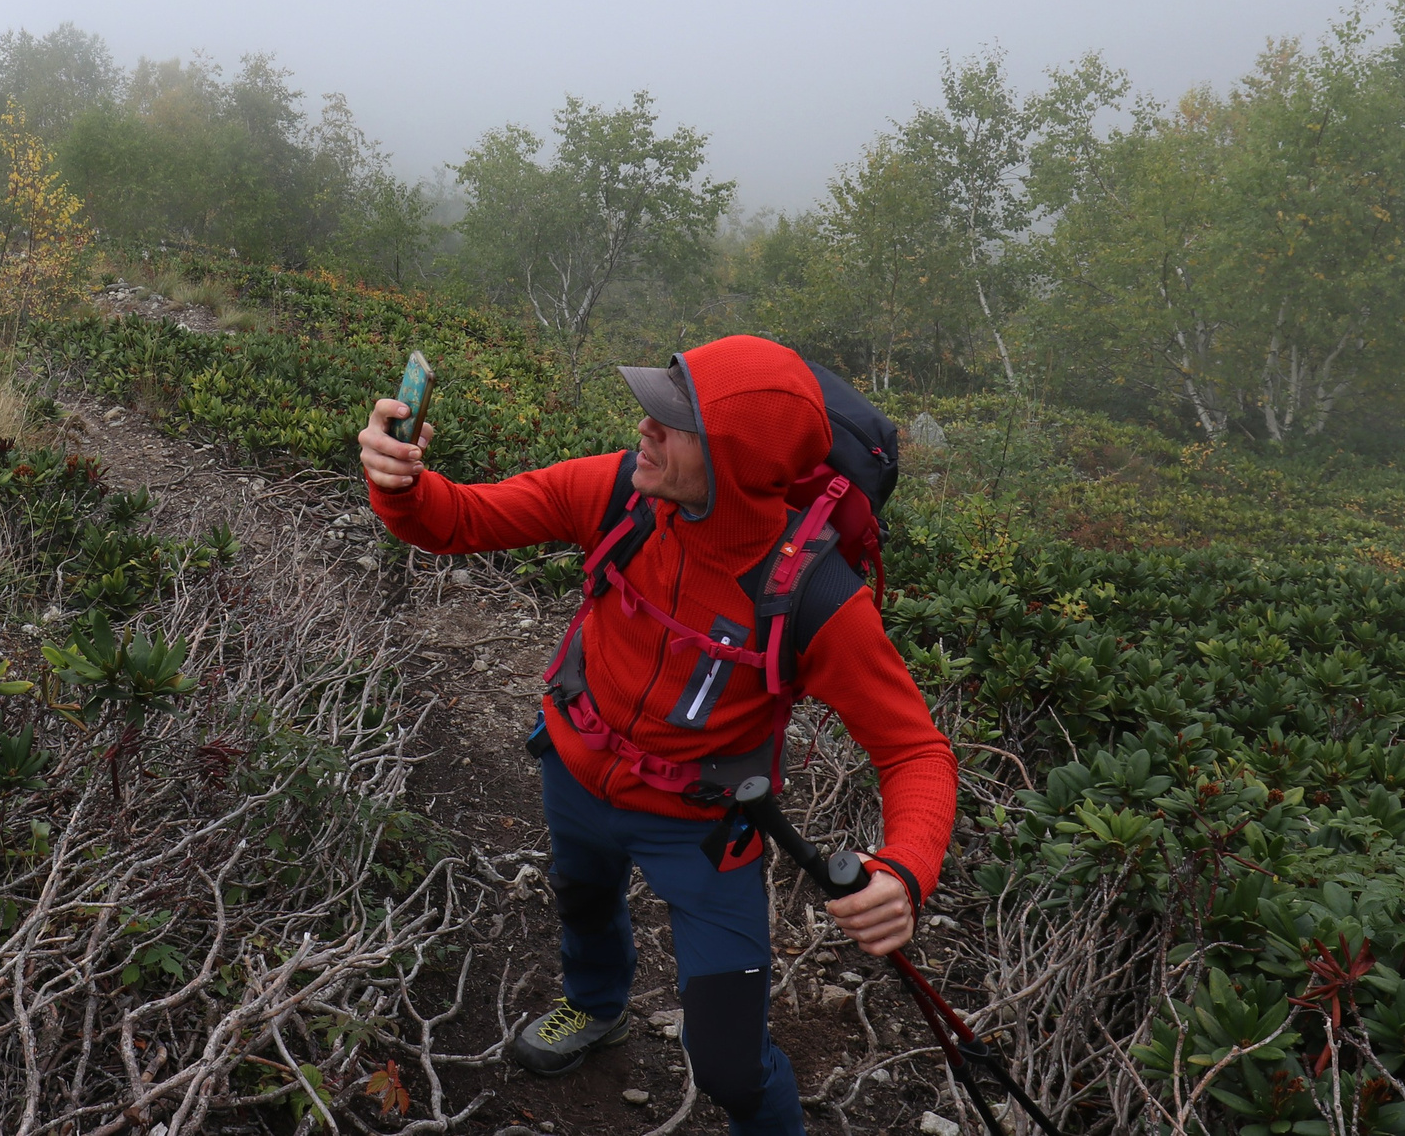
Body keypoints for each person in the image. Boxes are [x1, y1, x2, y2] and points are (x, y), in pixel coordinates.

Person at [358, 334, 957, 1136]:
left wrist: (907, 867)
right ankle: (598, 1005)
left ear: (737, 464)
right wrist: (399, 483)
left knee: (731, 1064)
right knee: (583, 900)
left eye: (672, 422)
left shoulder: (820, 597)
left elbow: (914, 749)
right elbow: (458, 518)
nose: (643, 426)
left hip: (704, 832)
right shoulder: (619, 492)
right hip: (575, 772)